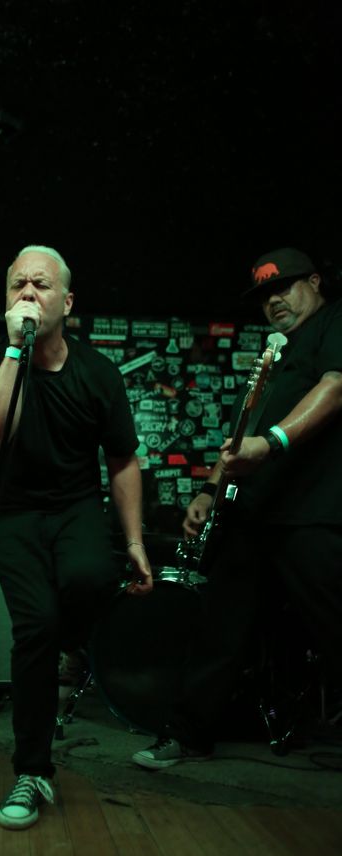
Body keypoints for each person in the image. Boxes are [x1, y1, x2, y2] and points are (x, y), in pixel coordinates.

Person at [0, 245, 153, 829]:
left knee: (93, 577)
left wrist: (135, 542)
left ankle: (71, 644)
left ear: (67, 302)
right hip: (10, 512)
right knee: (34, 628)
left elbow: (122, 459)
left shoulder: (97, 372)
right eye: (17, 283)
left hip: (75, 506)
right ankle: (31, 769)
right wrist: (16, 350)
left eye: (40, 284)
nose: (27, 292)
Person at [133, 247, 342, 768]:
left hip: (311, 514)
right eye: (265, 296)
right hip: (253, 515)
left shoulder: (334, 323)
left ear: (315, 282)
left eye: (284, 287)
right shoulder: (273, 356)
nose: (274, 301)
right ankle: (188, 734)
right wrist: (209, 490)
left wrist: (271, 443)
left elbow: (336, 386)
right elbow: (241, 437)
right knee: (219, 629)